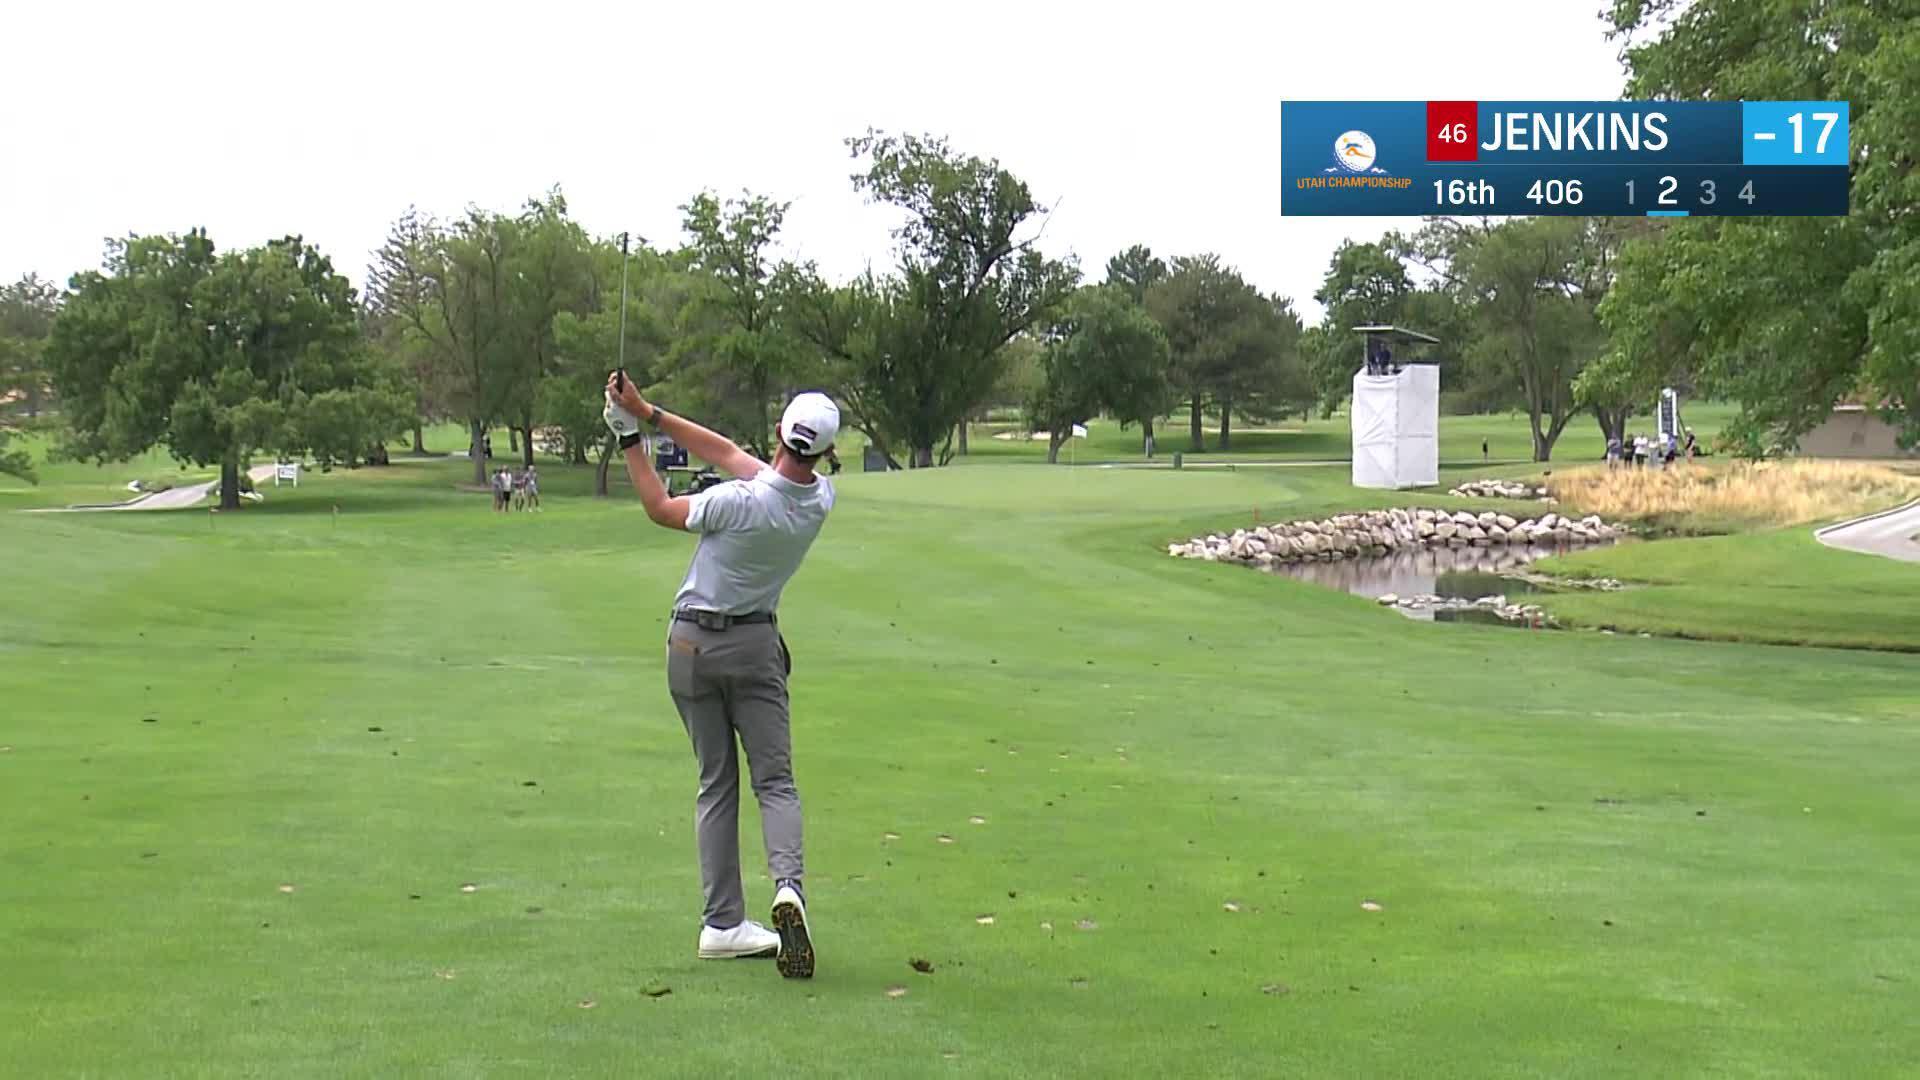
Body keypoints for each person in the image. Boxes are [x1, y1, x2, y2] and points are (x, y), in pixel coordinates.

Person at [604, 371, 838, 980]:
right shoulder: (819, 501)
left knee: (716, 783)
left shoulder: (735, 502)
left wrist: (629, 439)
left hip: (690, 646)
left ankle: (722, 924)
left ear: (780, 432)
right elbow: (727, 452)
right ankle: (788, 888)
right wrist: (649, 413)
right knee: (776, 782)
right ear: (824, 451)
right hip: (754, 648)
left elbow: (660, 508)